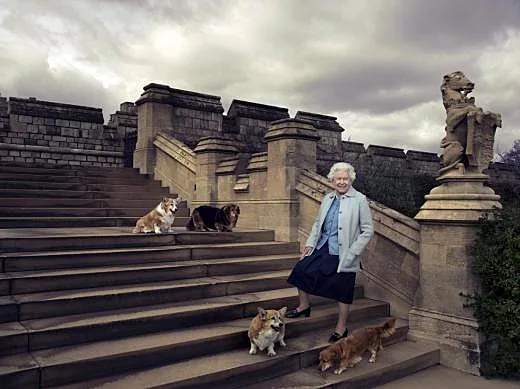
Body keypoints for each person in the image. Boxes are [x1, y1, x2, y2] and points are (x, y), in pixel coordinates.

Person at [286, 162, 374, 342]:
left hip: (345, 253)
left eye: (345, 179)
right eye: (338, 179)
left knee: (343, 289)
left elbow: (367, 230)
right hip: (323, 246)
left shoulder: (359, 199)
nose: (341, 182)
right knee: (301, 270)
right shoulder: (328, 198)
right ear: (332, 180)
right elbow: (318, 224)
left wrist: (354, 252)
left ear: (351, 180)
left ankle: (341, 328)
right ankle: (304, 306)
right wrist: (310, 245)